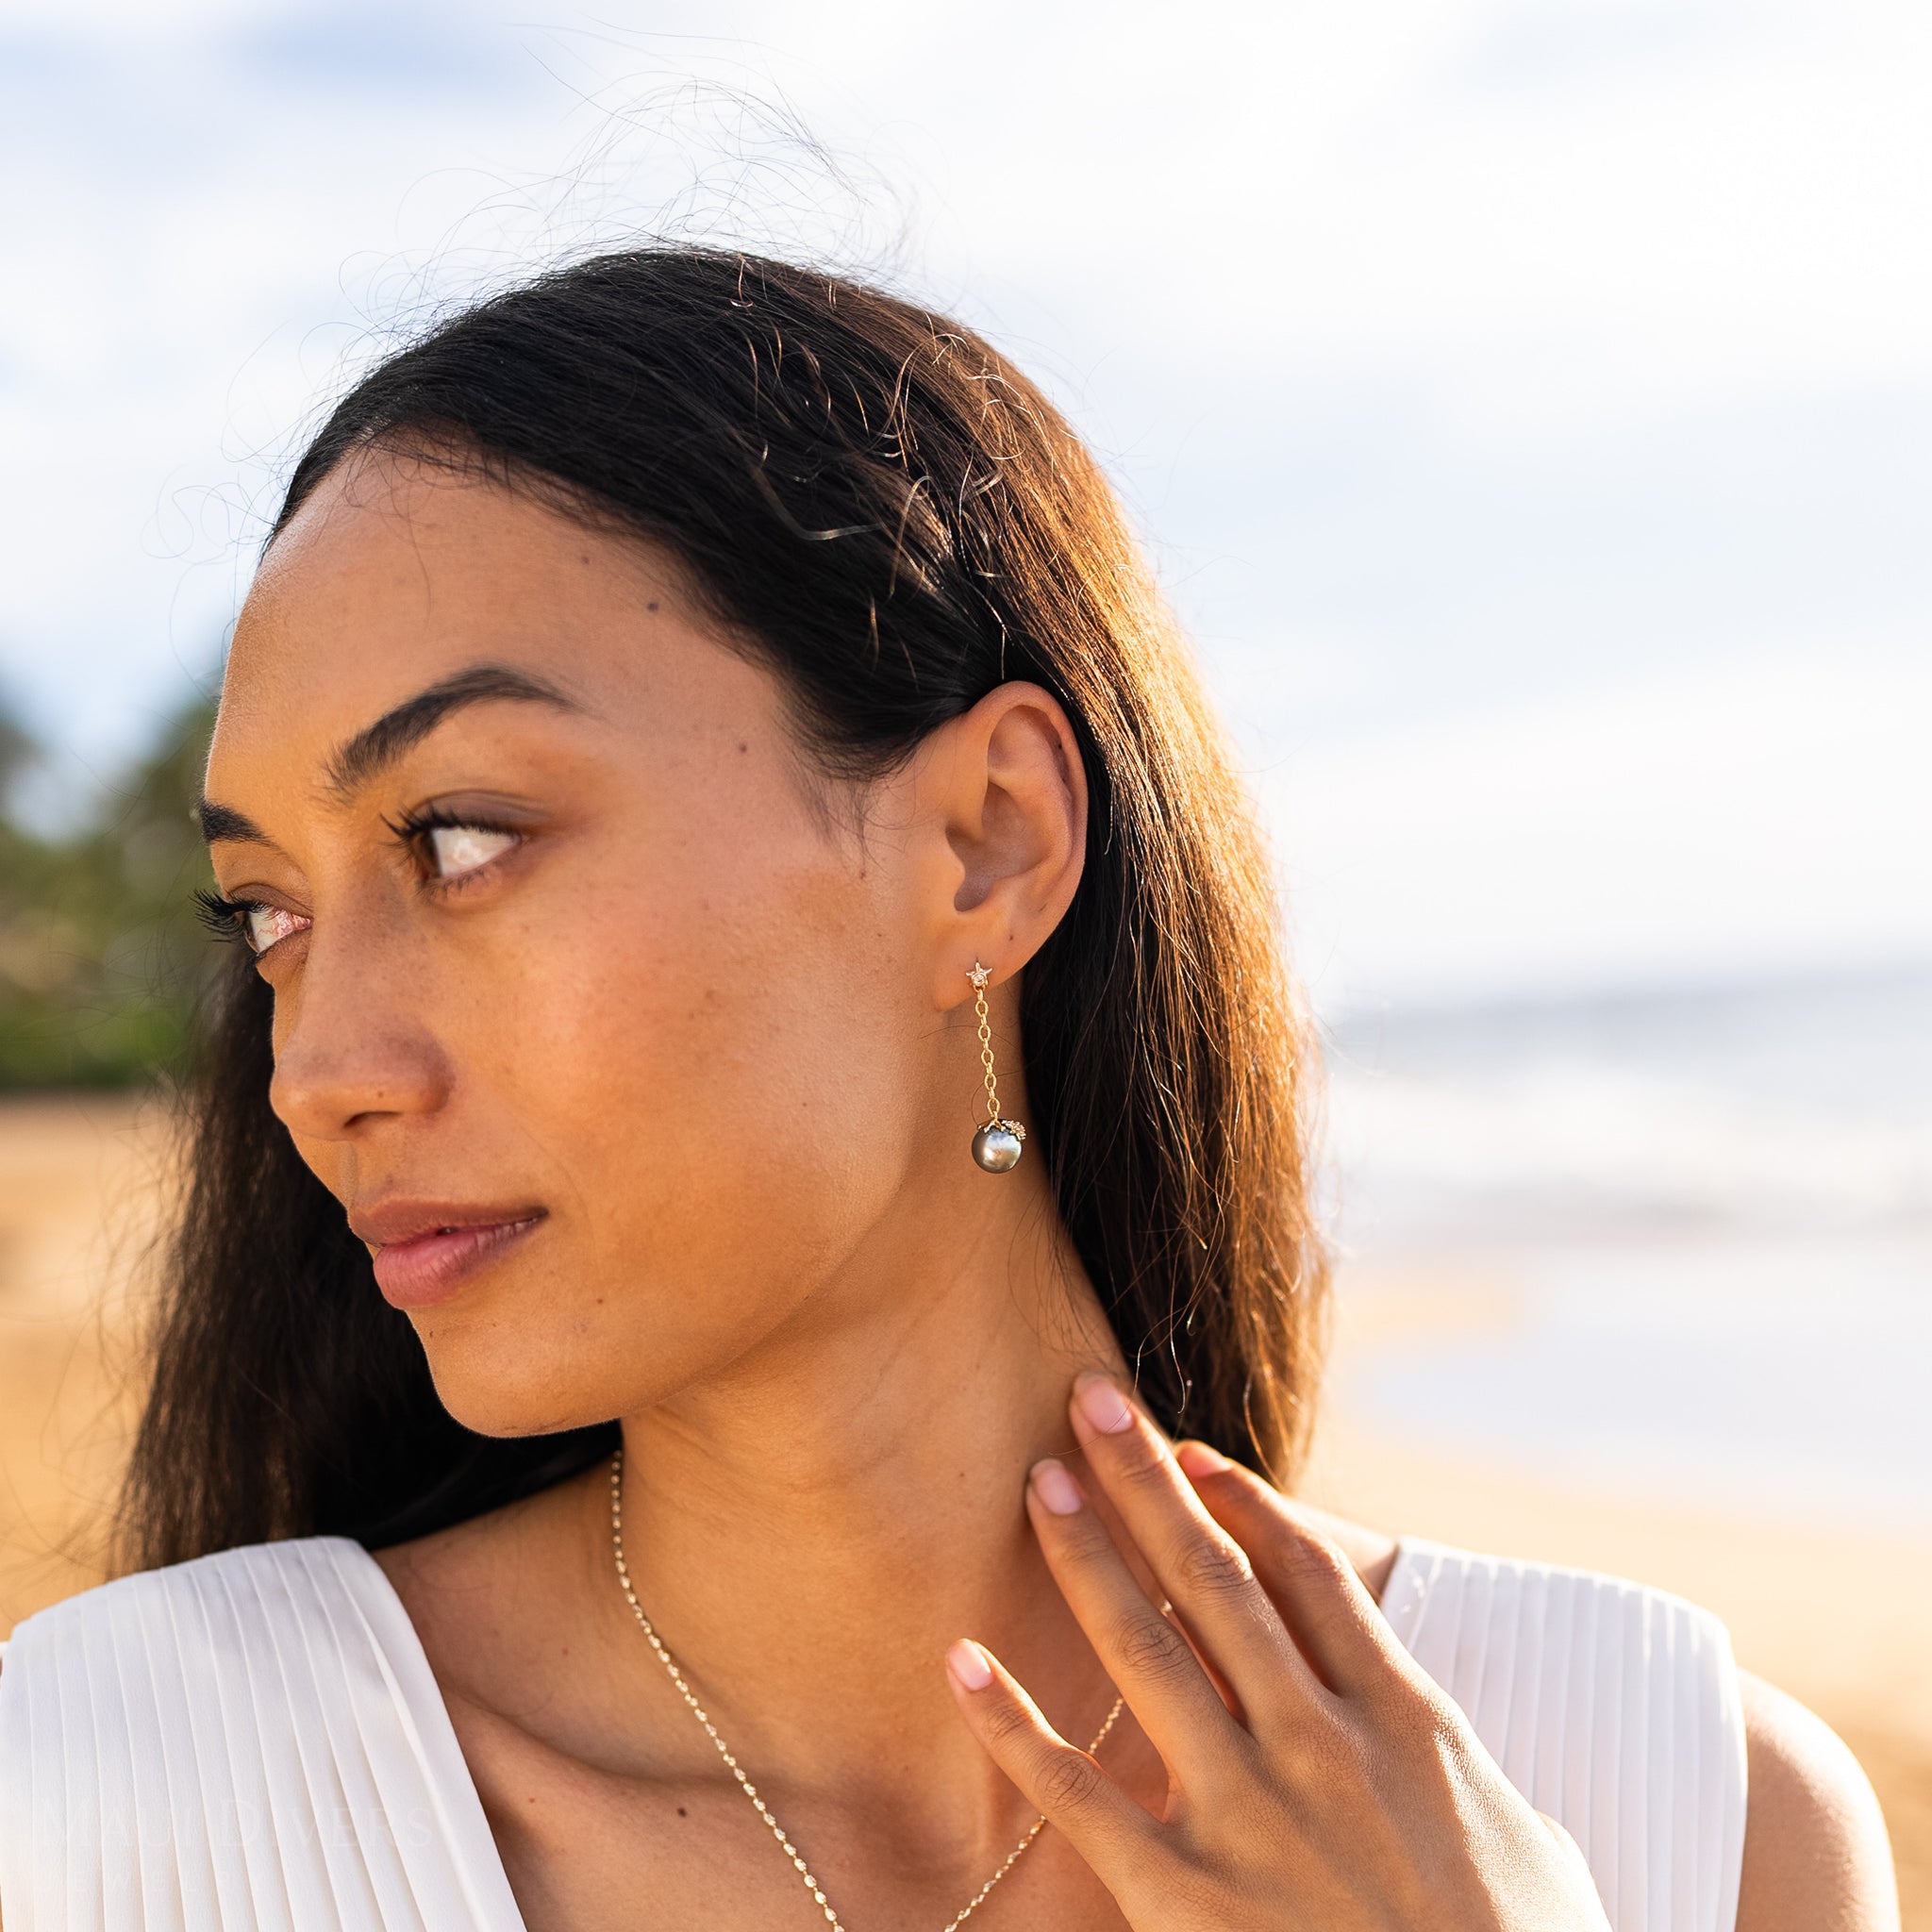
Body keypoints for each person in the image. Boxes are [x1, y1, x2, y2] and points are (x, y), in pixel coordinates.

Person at [0, 249, 1898, 1931]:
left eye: (464, 834)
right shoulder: (106, 1812)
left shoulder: (1696, 1822)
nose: (318, 1071)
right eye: (267, 913)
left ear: (986, 844)